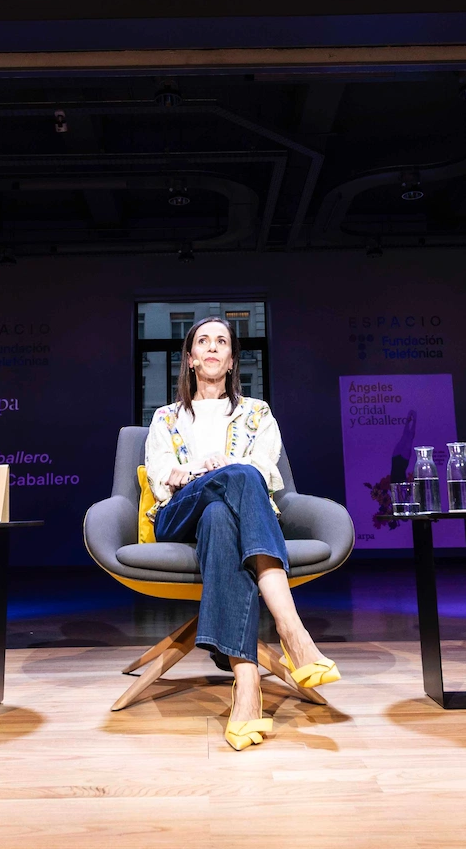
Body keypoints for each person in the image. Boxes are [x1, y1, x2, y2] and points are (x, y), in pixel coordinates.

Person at [144, 316, 339, 751]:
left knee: (220, 513)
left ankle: (246, 684)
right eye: (203, 342)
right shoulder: (164, 417)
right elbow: (161, 478)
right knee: (231, 481)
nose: (212, 348)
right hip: (178, 516)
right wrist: (204, 469)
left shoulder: (258, 413)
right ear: (191, 359)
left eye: (222, 342)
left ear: (232, 360)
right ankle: (293, 632)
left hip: (221, 515)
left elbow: (267, 471)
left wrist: (227, 473)